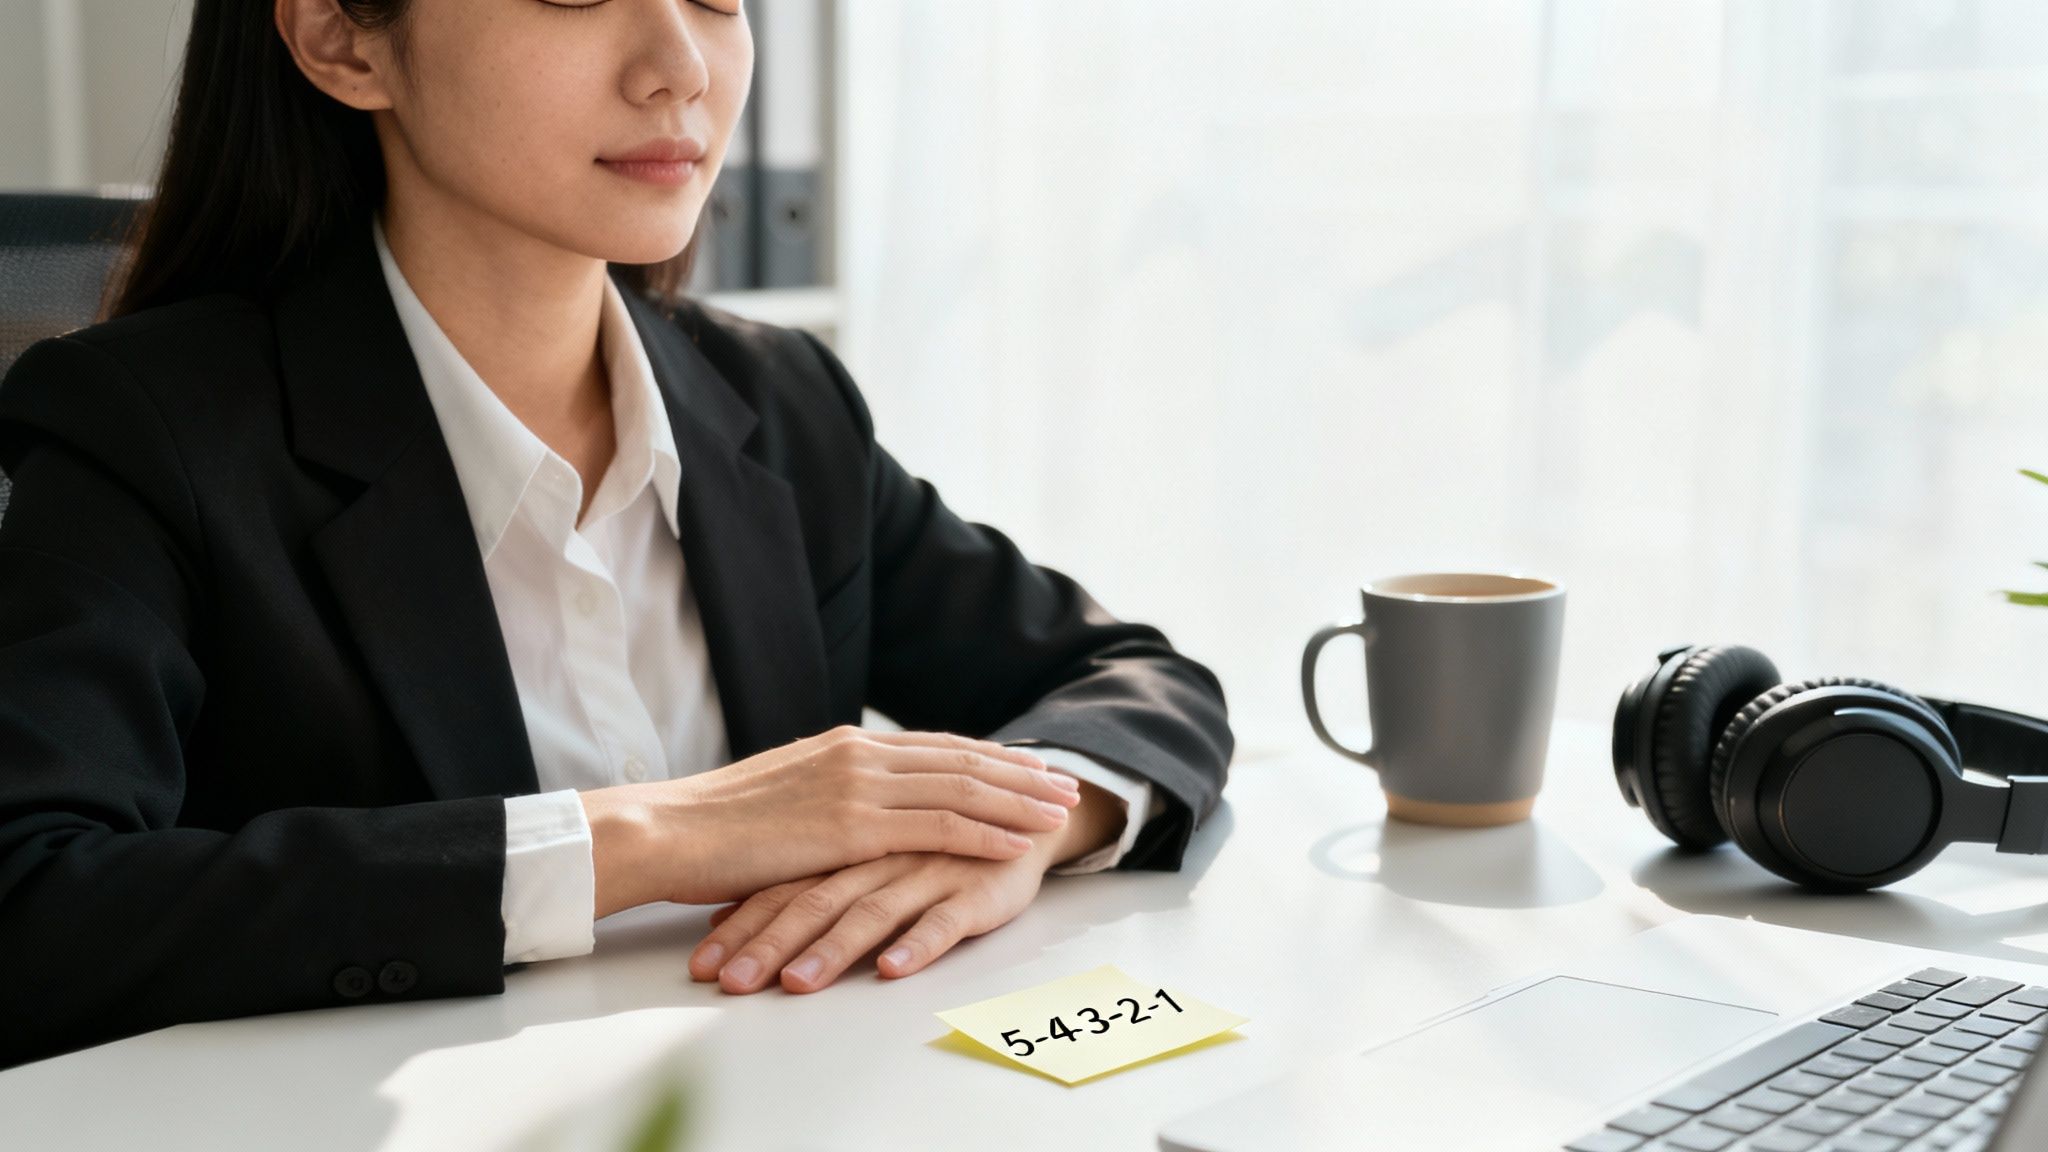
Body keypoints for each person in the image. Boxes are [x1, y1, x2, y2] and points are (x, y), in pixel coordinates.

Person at [0, 0, 1232, 1069]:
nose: (680, 67)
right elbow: (33, 904)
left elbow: (1133, 681)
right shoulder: (148, 430)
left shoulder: (778, 404)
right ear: (342, 40)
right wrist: (661, 835)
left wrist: (1009, 832)